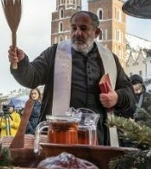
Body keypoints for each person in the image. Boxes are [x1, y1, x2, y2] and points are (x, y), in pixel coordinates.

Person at [8, 10, 134, 145]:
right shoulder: (55, 53)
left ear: (96, 33)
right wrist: (21, 63)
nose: (77, 33)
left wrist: (117, 97)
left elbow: (130, 94)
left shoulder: (110, 58)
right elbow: (32, 77)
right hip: (59, 138)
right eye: (74, 28)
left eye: (83, 28)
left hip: (99, 140)